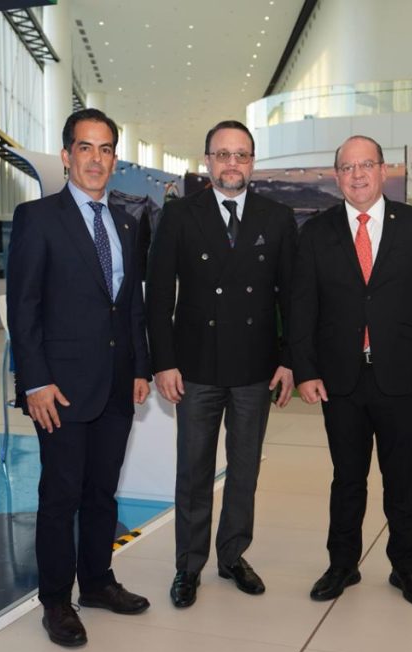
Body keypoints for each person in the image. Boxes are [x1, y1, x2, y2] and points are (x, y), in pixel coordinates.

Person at [6, 108, 152, 647]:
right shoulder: (38, 217)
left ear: (115, 159)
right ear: (67, 156)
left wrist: (139, 366)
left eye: (106, 148)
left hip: (116, 384)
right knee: (60, 495)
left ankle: (96, 582)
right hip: (60, 389)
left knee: (102, 492)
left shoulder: (127, 223)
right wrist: (34, 381)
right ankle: (55, 600)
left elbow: (130, 305)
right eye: (85, 148)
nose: (96, 159)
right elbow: (24, 307)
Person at [290, 135, 412, 607]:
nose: (357, 175)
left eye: (366, 165)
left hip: (400, 376)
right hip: (338, 379)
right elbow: (302, 308)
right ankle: (342, 564)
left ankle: (406, 566)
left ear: (383, 171)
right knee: (347, 478)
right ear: (336, 175)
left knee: (401, 477)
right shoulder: (316, 232)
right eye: (347, 167)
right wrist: (305, 370)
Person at [146, 120, 297, 608]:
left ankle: (232, 556)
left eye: (241, 155)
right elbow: (159, 295)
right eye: (223, 154)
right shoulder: (179, 215)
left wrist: (290, 360)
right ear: (207, 160)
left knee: (245, 468)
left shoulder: (277, 217)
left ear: (253, 162)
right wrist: (163, 362)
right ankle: (188, 565)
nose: (233, 163)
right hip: (195, 367)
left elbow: (293, 297)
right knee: (193, 470)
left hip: (256, 367)